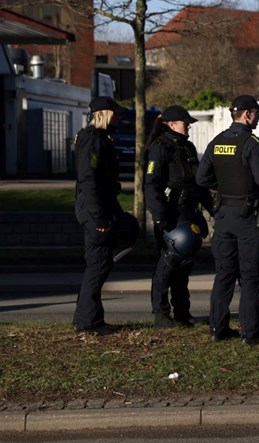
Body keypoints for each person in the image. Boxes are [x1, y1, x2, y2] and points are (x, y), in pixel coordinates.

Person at [196, 95, 259, 345]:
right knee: (250, 275)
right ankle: (251, 332)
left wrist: (225, 190)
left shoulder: (217, 142)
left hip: (224, 216)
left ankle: (218, 328)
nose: (257, 119)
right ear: (247, 114)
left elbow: (202, 179)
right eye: (256, 114)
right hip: (248, 220)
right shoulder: (252, 143)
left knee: (224, 274)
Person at [72, 96, 140, 335]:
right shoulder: (93, 139)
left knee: (99, 265)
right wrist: (100, 218)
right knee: (97, 266)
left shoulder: (98, 138)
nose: (118, 118)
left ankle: (85, 318)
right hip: (96, 211)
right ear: (102, 114)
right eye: (115, 114)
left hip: (102, 208)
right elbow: (88, 179)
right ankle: (88, 322)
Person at [144, 105, 212, 328]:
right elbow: (151, 184)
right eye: (186, 123)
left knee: (184, 267)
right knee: (166, 267)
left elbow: (198, 184)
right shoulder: (160, 147)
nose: (189, 126)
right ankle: (161, 315)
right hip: (170, 215)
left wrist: (212, 210)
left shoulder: (188, 147)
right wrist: (159, 217)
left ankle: (183, 313)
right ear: (172, 124)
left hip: (188, 212)